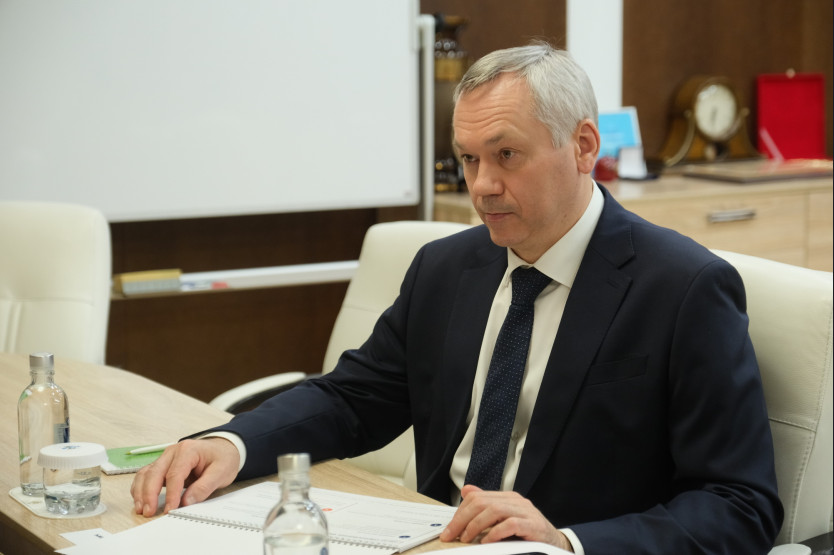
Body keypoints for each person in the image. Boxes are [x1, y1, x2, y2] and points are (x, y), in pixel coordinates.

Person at [132, 42, 782, 554]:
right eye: (469, 159)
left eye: (507, 155)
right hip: (433, 540)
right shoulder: (447, 267)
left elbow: (739, 504)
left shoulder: (683, 288)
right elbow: (353, 399)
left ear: (584, 146)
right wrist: (233, 444)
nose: (482, 185)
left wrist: (566, 541)